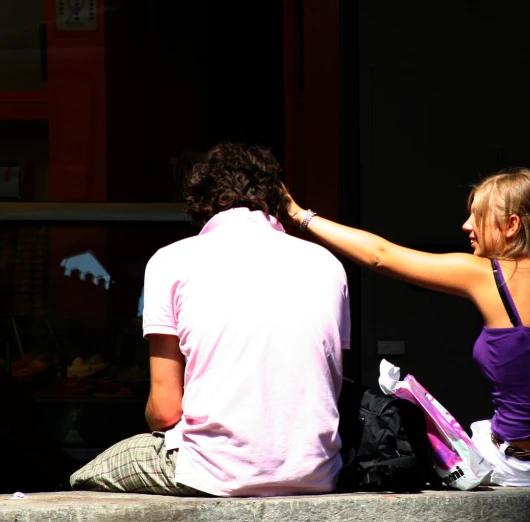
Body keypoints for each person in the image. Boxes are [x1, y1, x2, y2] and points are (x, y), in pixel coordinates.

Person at [284, 168, 530, 487]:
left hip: (529, 466)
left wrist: (301, 215)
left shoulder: (485, 275)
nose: (466, 225)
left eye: (477, 216)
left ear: (510, 226)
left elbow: (381, 255)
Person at [70, 142, 351, 496]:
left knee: (84, 476)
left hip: (212, 471)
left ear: (201, 204)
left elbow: (165, 410)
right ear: (278, 198)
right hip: (317, 471)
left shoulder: (170, 261)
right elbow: (328, 383)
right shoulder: (327, 264)